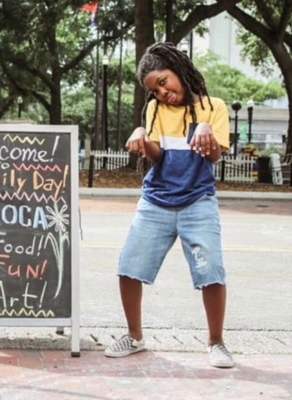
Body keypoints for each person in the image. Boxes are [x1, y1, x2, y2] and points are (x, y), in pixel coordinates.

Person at [104, 42, 234, 368]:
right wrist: (141, 137)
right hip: (156, 201)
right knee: (128, 267)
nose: (163, 92)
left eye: (164, 81)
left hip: (198, 201)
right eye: (155, 90)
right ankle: (135, 337)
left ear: (179, 70)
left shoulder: (214, 107)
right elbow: (157, 156)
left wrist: (205, 130)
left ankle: (216, 342)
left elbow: (215, 155)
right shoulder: (155, 110)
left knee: (212, 272)